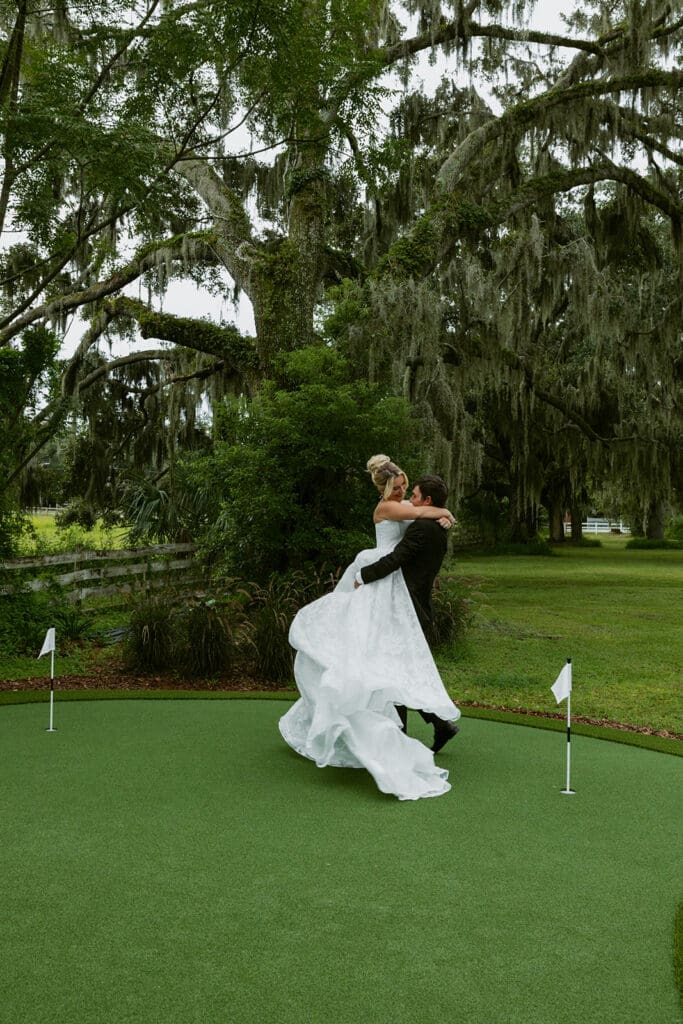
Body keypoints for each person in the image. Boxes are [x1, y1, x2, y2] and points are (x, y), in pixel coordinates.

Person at [278, 455, 461, 801]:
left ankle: (417, 729)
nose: (406, 492)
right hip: (381, 583)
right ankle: (412, 729)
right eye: (401, 487)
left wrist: (441, 513)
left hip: (394, 590)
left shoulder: (407, 508)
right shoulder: (387, 509)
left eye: (409, 487)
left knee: (389, 660)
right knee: (379, 658)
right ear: (386, 488)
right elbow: (420, 514)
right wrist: (443, 512)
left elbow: (421, 515)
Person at [356, 471, 460, 754]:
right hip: (416, 603)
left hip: (405, 605)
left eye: (412, 493)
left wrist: (363, 575)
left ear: (426, 499)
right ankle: (438, 725)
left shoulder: (421, 528)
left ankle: (405, 733)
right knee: (400, 671)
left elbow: (397, 558)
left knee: (395, 672)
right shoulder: (434, 525)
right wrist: (447, 515)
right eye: (403, 489)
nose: (409, 498)